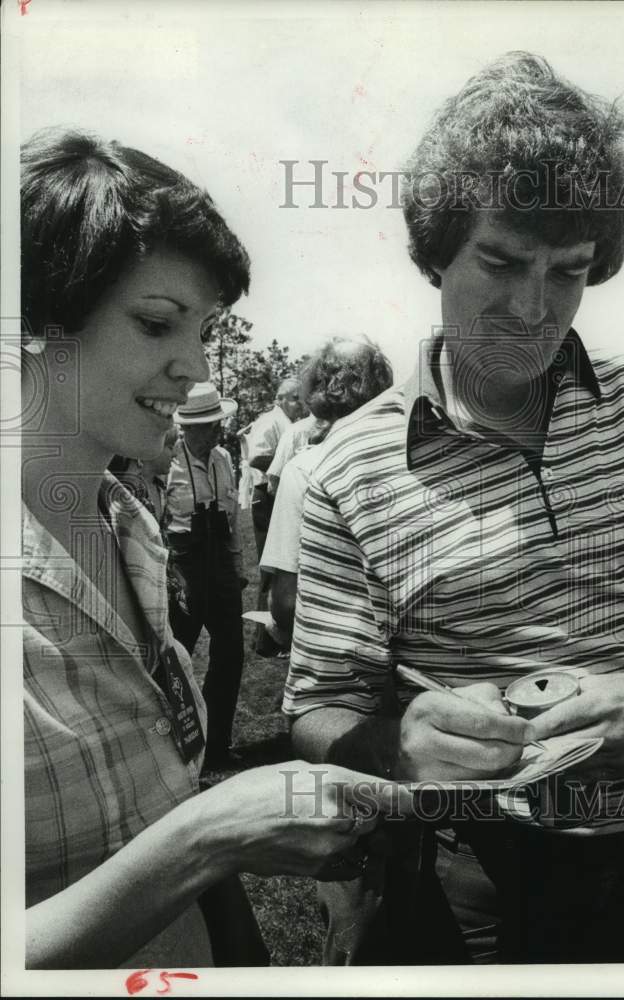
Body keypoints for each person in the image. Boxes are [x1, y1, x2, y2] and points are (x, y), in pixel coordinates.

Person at [283, 52, 624, 964]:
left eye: (568, 272)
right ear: (434, 250)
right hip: (471, 884)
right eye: (499, 262)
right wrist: (398, 743)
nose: (531, 309)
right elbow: (317, 709)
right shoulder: (351, 464)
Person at [20, 127, 401, 969]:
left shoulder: (130, 528)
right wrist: (209, 836)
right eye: (158, 323)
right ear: (36, 319)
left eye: (205, 330)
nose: (194, 369)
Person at [260, 336, 393, 637]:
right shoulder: (407, 461)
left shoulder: (303, 469)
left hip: (334, 654)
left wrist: (278, 626)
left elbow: (286, 602)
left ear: (319, 392)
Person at [166, 382, 248, 769]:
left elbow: (231, 522)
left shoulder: (223, 459)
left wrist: (237, 571)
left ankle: (218, 743)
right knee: (176, 657)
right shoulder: (167, 461)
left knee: (230, 654)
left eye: (219, 423)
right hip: (183, 568)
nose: (219, 430)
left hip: (220, 569)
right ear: (189, 426)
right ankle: (177, 747)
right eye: (211, 424)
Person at [238, 378, 303, 653]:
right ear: (280, 399)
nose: (299, 404)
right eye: (294, 398)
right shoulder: (271, 421)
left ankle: (277, 635)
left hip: (278, 495)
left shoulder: (288, 423)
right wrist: (286, 460)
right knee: (271, 567)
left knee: (282, 566)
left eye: (300, 398)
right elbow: (256, 457)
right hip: (266, 496)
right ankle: (264, 640)